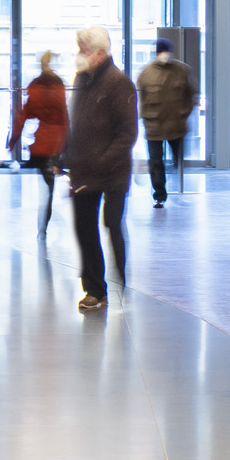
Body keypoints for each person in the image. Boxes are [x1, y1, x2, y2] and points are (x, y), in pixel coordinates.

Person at [62, 25, 137, 310]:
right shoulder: (81, 79)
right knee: (85, 228)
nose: (80, 54)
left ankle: (121, 277)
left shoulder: (119, 83)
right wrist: (64, 156)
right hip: (83, 170)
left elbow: (127, 134)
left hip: (112, 172)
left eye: (84, 50)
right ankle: (95, 289)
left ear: (100, 53)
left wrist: (102, 160)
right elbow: (75, 121)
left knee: (112, 224)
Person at [136, 30, 197, 206]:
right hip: (153, 126)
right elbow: (141, 100)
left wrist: (183, 114)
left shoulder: (182, 70)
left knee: (178, 158)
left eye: (166, 51)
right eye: (161, 51)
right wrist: (144, 118)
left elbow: (191, 95)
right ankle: (159, 195)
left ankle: (173, 180)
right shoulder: (146, 73)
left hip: (176, 125)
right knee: (155, 162)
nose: (164, 54)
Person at [13, 52, 70, 236]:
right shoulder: (59, 84)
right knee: (49, 187)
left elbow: (25, 114)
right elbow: (64, 117)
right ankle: (44, 225)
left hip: (42, 144)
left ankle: (43, 226)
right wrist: (67, 143)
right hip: (55, 142)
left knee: (45, 186)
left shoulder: (36, 85)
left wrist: (13, 139)